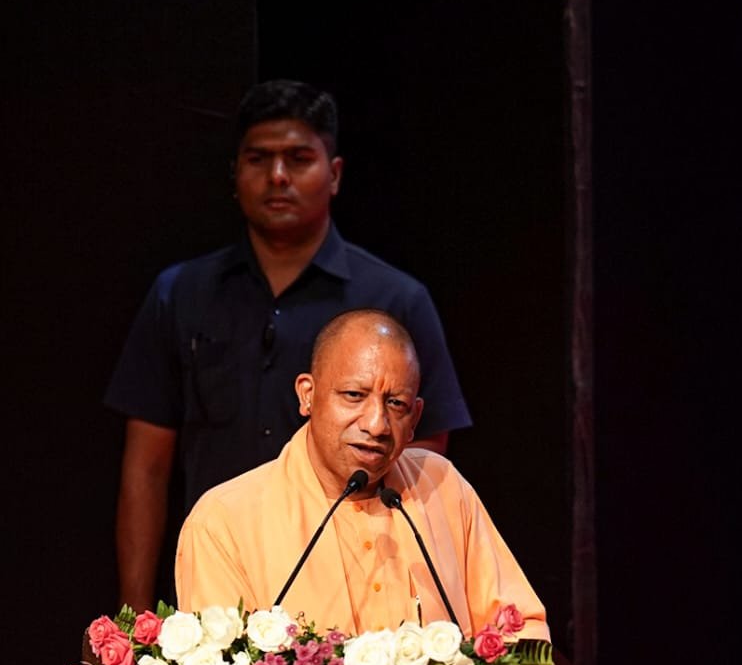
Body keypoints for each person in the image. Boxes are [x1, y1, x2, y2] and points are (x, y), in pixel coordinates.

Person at [106, 80, 471, 611]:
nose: (278, 176)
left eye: (299, 159)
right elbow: (146, 467)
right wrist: (134, 620)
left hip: (356, 599)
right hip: (217, 584)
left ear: (335, 174)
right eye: (259, 159)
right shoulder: (181, 294)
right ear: (235, 173)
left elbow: (421, 459)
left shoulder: (395, 301)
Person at [175, 309, 548, 641]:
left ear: (415, 418)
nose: (377, 424)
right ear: (307, 395)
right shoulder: (225, 521)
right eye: (354, 395)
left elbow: (519, 630)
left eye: (396, 404)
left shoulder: (440, 485)